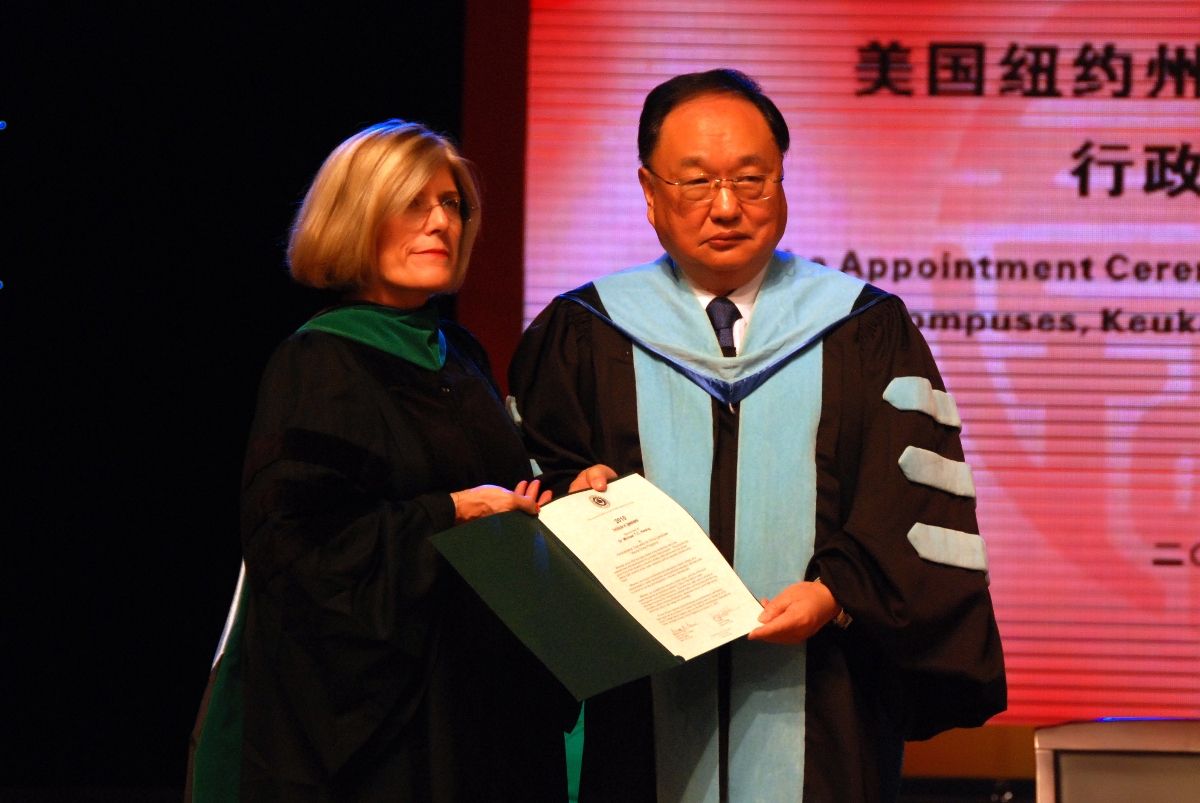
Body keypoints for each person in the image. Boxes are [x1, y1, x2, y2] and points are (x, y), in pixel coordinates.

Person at [509, 70, 1007, 803]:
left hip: (826, 707)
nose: (726, 206)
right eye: (696, 182)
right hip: (639, 711)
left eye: (752, 179)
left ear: (782, 181)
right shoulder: (583, 332)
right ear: (649, 191)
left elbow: (909, 502)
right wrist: (570, 500)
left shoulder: (864, 327)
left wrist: (837, 591)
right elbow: (529, 496)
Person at [187, 120, 575, 803]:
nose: (441, 222)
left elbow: (500, 490)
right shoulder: (318, 362)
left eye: (451, 204)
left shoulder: (460, 353)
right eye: (412, 203)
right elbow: (299, 556)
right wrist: (452, 513)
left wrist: (566, 492)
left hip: (485, 717)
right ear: (355, 217)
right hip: (389, 740)